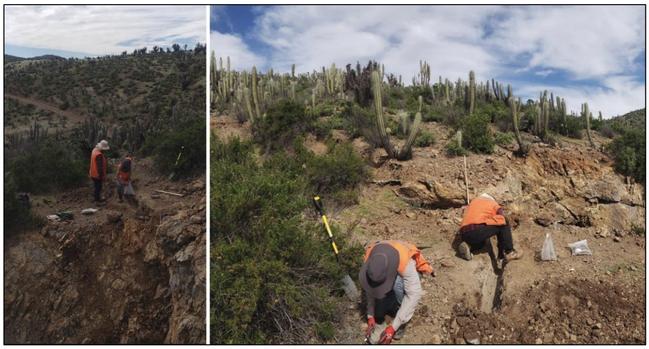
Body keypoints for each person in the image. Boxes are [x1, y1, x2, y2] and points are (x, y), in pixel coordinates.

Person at [359, 240, 434, 344]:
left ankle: (400, 315)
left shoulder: (405, 263)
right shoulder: (371, 260)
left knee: (398, 285)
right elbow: (370, 287)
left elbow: (413, 295)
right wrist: (370, 315)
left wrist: (393, 328)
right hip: (390, 269)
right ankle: (390, 303)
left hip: (405, 270)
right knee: (378, 312)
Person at [457, 193, 524, 262]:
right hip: (477, 230)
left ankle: (469, 246)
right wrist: (501, 253)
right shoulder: (493, 204)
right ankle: (509, 252)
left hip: (464, 233)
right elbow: (501, 221)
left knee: (483, 242)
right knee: (504, 221)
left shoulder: (472, 203)